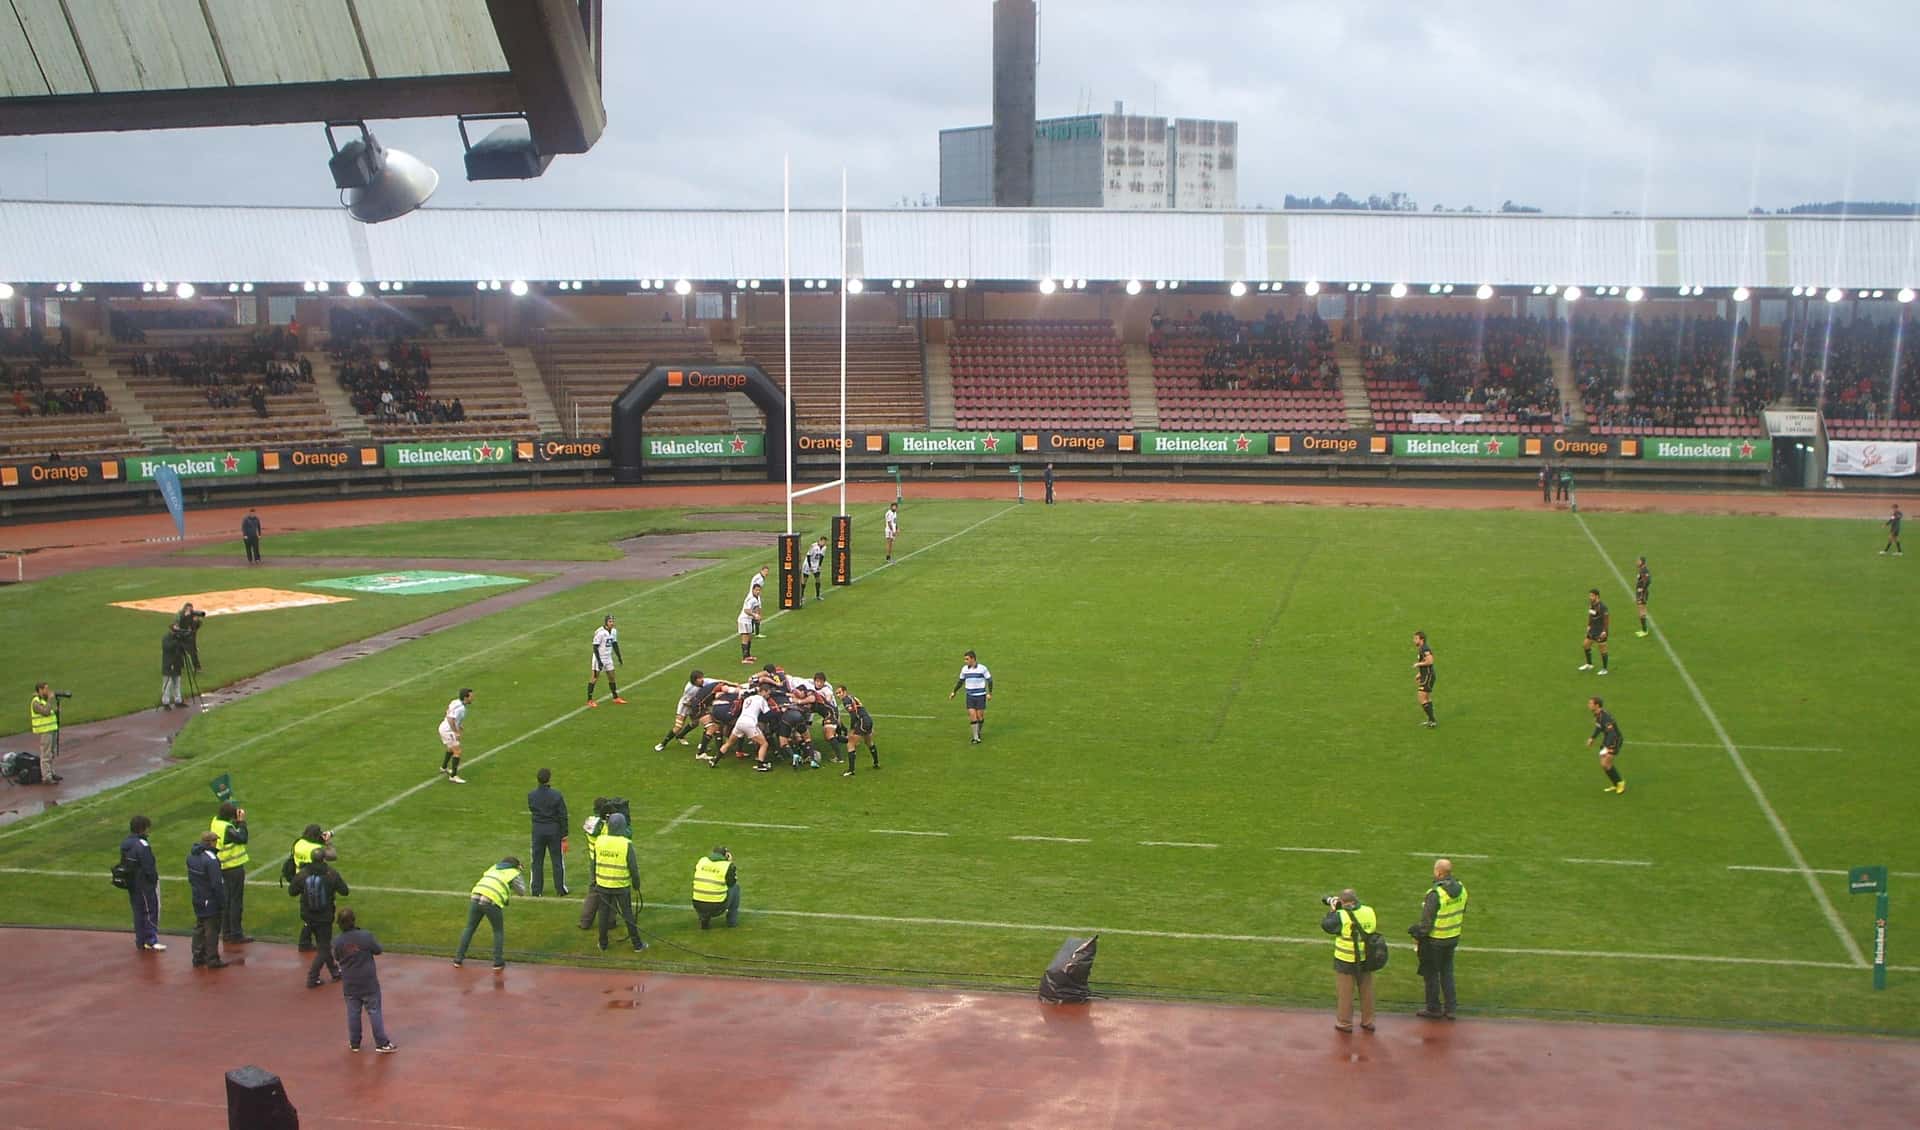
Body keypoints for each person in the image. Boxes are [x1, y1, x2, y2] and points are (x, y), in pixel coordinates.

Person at [333, 908, 396, 1053]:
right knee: (374, 1011)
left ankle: (355, 1043)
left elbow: (337, 957)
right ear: (353, 920)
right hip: (368, 982)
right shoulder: (365, 936)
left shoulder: (337, 941)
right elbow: (378, 950)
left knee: (353, 1013)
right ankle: (381, 1043)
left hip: (350, 983)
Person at [1411, 858, 1467, 1020]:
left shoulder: (1435, 894)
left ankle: (1433, 1008)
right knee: (1447, 972)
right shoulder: (1462, 889)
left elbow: (1426, 923)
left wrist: (1416, 934)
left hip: (1435, 940)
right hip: (1453, 936)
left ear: (1439, 872)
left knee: (1431, 974)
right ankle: (1451, 1008)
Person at [453, 856, 527, 970]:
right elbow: (522, 891)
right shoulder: (513, 873)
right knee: (498, 931)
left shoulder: (493, 868)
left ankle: (458, 958)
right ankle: (498, 961)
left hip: (476, 895)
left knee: (469, 927)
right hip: (491, 900)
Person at [290, 849, 350, 987]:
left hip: (308, 915)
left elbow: (292, 892)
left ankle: (335, 972)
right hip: (324, 916)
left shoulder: (303, 874)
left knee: (324, 945)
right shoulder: (331, 873)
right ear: (324, 859)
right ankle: (313, 977)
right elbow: (344, 891)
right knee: (323, 948)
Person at [1320, 888, 1377, 1034]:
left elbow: (1327, 925)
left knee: (1345, 993)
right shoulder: (1369, 911)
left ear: (1342, 901)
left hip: (1346, 959)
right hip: (1366, 958)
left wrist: (1333, 910)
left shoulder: (1340, 915)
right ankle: (1368, 1021)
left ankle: (1345, 1023)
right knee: (1367, 991)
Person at [591, 813, 647, 953]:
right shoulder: (625, 844)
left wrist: (595, 880)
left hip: (602, 884)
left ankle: (603, 943)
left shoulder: (599, 841)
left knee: (603, 914)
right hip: (621, 885)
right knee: (627, 914)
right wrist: (636, 884)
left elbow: (594, 863)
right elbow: (633, 867)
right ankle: (637, 944)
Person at [210, 802, 253, 944]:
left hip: (221, 866)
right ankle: (236, 933)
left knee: (226, 901)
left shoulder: (215, 821)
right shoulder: (227, 828)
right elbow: (242, 838)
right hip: (233, 867)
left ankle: (227, 932)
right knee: (235, 902)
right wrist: (241, 822)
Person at [186, 830, 229, 969]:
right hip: (210, 900)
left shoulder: (192, 856)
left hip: (197, 896)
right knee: (212, 929)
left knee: (199, 926)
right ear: (210, 842)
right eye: (215, 841)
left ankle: (197, 956)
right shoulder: (211, 860)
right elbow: (217, 884)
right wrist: (223, 902)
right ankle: (212, 959)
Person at [121, 815, 164, 951]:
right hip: (144, 884)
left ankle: (141, 940)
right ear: (142, 829)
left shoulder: (125, 843)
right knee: (150, 910)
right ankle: (151, 940)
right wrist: (153, 880)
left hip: (132, 883)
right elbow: (148, 867)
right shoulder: (143, 845)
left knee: (138, 911)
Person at [289, 824, 332, 951]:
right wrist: (328, 843)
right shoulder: (316, 848)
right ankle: (320, 942)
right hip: (315, 881)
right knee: (318, 911)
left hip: (300, 880)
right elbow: (332, 855)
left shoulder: (298, 843)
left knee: (307, 912)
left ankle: (304, 942)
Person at [527, 769, 568, 897]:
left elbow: (532, 808)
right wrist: (565, 834)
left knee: (537, 860)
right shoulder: (556, 795)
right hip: (553, 830)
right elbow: (563, 815)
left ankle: (536, 890)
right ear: (549, 779)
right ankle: (560, 889)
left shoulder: (531, 795)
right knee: (557, 860)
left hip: (538, 830)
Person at [654, 670, 708, 752]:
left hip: (693, 705)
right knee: (678, 727)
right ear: (695, 680)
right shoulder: (690, 689)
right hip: (685, 706)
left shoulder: (701, 684)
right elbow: (686, 702)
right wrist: (699, 705)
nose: (702, 679)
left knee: (695, 723)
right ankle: (663, 744)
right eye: (700, 678)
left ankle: (680, 736)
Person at [949, 649, 992, 744]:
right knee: (973, 716)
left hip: (980, 696)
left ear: (973, 659)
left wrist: (990, 693)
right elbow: (960, 681)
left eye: (967, 659)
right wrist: (954, 692)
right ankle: (975, 738)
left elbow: (990, 680)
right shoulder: (964, 669)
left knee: (980, 716)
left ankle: (978, 732)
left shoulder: (982, 668)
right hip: (970, 696)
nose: (965, 661)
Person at [1586, 695, 1627, 794]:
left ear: (1597, 705)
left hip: (1614, 740)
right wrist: (1592, 738)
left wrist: (1607, 747)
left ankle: (1620, 783)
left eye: (1590, 703)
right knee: (1604, 764)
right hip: (1608, 739)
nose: (1588, 705)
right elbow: (1599, 727)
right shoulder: (1597, 714)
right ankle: (1616, 784)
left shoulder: (1605, 717)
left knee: (1605, 763)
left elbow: (1612, 733)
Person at [692, 846, 740, 929]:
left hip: (698, 905)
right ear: (726, 855)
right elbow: (732, 883)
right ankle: (732, 922)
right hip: (717, 907)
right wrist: (730, 862)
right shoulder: (727, 865)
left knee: (704, 886)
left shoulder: (702, 861)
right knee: (735, 888)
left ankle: (704, 920)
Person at [837, 686, 879, 776]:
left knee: (850, 744)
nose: (838, 695)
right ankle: (876, 763)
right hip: (868, 720)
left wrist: (852, 729)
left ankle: (851, 770)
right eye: (836, 693)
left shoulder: (846, 701)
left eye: (839, 692)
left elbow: (853, 716)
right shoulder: (852, 697)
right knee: (868, 742)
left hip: (862, 722)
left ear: (845, 692)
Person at [587, 615, 625, 706]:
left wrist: (619, 657)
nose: (612, 623)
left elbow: (615, 644)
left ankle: (615, 697)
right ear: (606, 622)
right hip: (599, 657)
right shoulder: (600, 632)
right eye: (610, 621)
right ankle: (589, 700)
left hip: (608, 657)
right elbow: (595, 647)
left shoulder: (614, 631)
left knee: (612, 676)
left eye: (613, 621)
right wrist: (599, 661)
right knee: (595, 678)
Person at [29, 681, 61, 784]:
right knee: (46, 754)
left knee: (51, 753)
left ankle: (51, 773)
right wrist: (51, 700)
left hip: (51, 729)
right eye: (46, 689)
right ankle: (46, 777)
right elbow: (46, 712)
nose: (48, 690)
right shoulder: (36, 702)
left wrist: (56, 711)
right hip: (45, 731)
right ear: (40, 690)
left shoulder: (43, 700)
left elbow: (50, 713)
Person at [439, 687, 472, 782]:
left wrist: (459, 724)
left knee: (450, 748)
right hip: (448, 730)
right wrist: (455, 731)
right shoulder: (460, 708)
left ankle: (443, 767)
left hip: (444, 727)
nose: (472, 698)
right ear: (466, 698)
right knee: (457, 751)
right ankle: (453, 776)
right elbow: (450, 719)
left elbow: (448, 713)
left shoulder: (455, 702)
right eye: (471, 696)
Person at [1580, 588, 1610, 675]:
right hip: (1593, 629)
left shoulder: (1603, 607)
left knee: (1602, 649)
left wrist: (1604, 631)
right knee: (1585, 645)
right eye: (1590, 595)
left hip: (1600, 630)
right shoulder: (1592, 604)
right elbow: (1591, 614)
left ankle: (1605, 669)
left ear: (1597, 596)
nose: (1590, 597)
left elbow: (1606, 620)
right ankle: (1589, 664)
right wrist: (1589, 625)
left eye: (1592, 595)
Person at [1412, 630, 1437, 728]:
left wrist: (1418, 664)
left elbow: (1430, 661)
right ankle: (1431, 720)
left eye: (1416, 638)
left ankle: (1432, 721)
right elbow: (1425, 663)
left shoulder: (1425, 648)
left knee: (1421, 697)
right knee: (1426, 697)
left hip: (1428, 676)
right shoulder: (1421, 648)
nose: (1414, 640)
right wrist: (1419, 673)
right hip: (1425, 675)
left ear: (1421, 639)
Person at [160, 626, 188, 710]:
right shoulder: (166, 638)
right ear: (172, 630)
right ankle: (166, 703)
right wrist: (177, 641)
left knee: (177, 684)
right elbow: (167, 647)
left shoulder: (177, 638)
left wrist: (182, 640)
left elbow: (182, 649)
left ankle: (178, 701)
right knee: (167, 685)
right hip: (168, 664)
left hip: (177, 664)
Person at [737, 587, 761, 664]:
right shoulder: (751, 599)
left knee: (749, 637)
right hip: (744, 620)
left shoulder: (756, 599)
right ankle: (744, 658)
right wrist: (755, 615)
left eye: (759, 590)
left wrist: (758, 615)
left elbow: (756, 608)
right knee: (745, 638)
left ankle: (748, 655)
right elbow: (746, 610)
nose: (758, 592)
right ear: (753, 590)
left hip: (749, 620)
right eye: (756, 590)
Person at [802, 537, 827, 602]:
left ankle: (818, 595)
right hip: (808, 563)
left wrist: (819, 566)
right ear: (820, 541)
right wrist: (810, 567)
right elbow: (808, 556)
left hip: (816, 564)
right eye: (823, 541)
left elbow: (822, 557)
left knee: (818, 579)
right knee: (805, 579)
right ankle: (801, 595)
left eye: (825, 542)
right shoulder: (813, 546)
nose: (824, 543)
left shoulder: (824, 548)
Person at [1634, 557, 1652, 637]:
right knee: (1641, 610)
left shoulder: (1644, 570)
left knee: (1641, 610)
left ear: (1642, 562)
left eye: (1638, 561)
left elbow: (1648, 580)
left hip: (1642, 593)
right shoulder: (1641, 570)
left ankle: (1644, 630)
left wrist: (1642, 591)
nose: (1637, 562)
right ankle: (1644, 630)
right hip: (1640, 592)